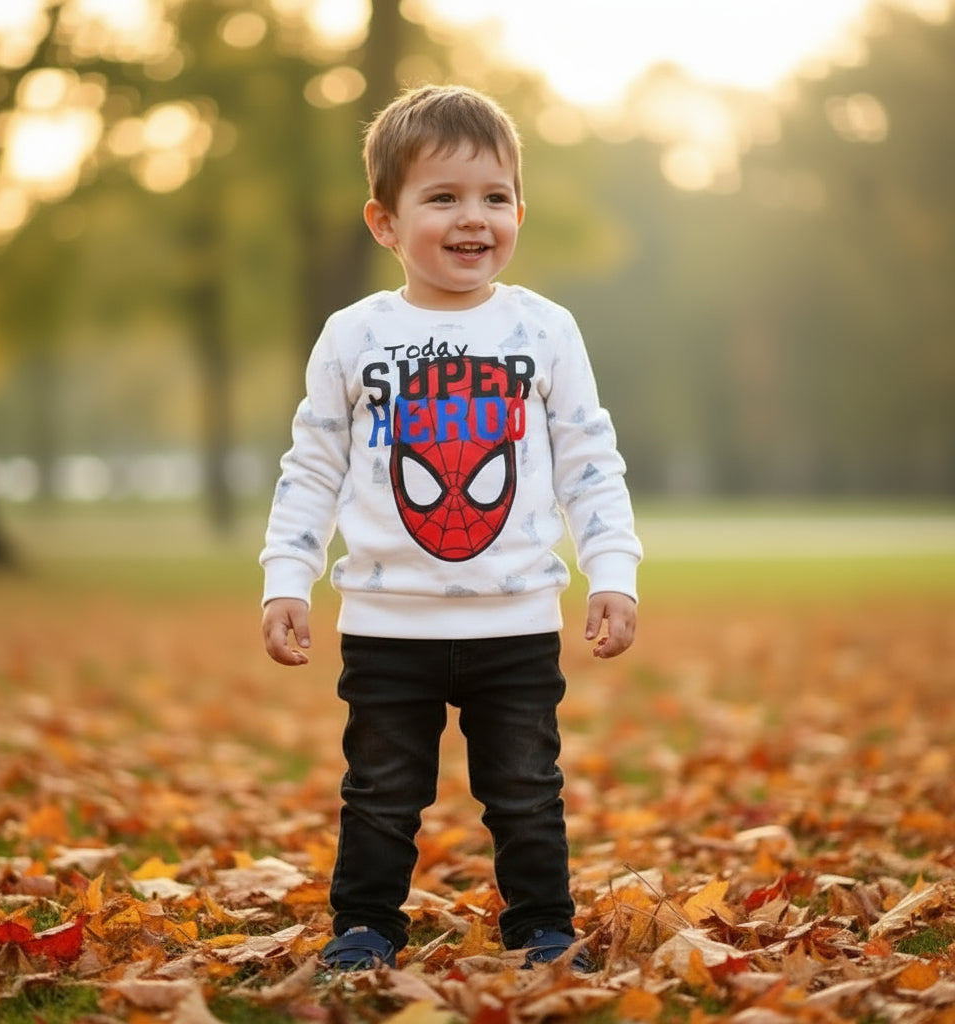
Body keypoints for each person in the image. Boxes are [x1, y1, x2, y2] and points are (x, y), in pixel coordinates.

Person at [259, 84, 642, 972]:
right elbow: (311, 466)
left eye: (494, 197)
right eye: (443, 197)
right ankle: (364, 927)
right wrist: (288, 576)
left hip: (516, 620)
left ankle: (543, 927)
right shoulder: (355, 336)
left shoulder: (544, 330)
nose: (474, 219)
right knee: (383, 793)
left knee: (526, 792)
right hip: (389, 624)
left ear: (518, 210)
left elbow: (591, 459)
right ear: (385, 223)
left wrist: (612, 569)